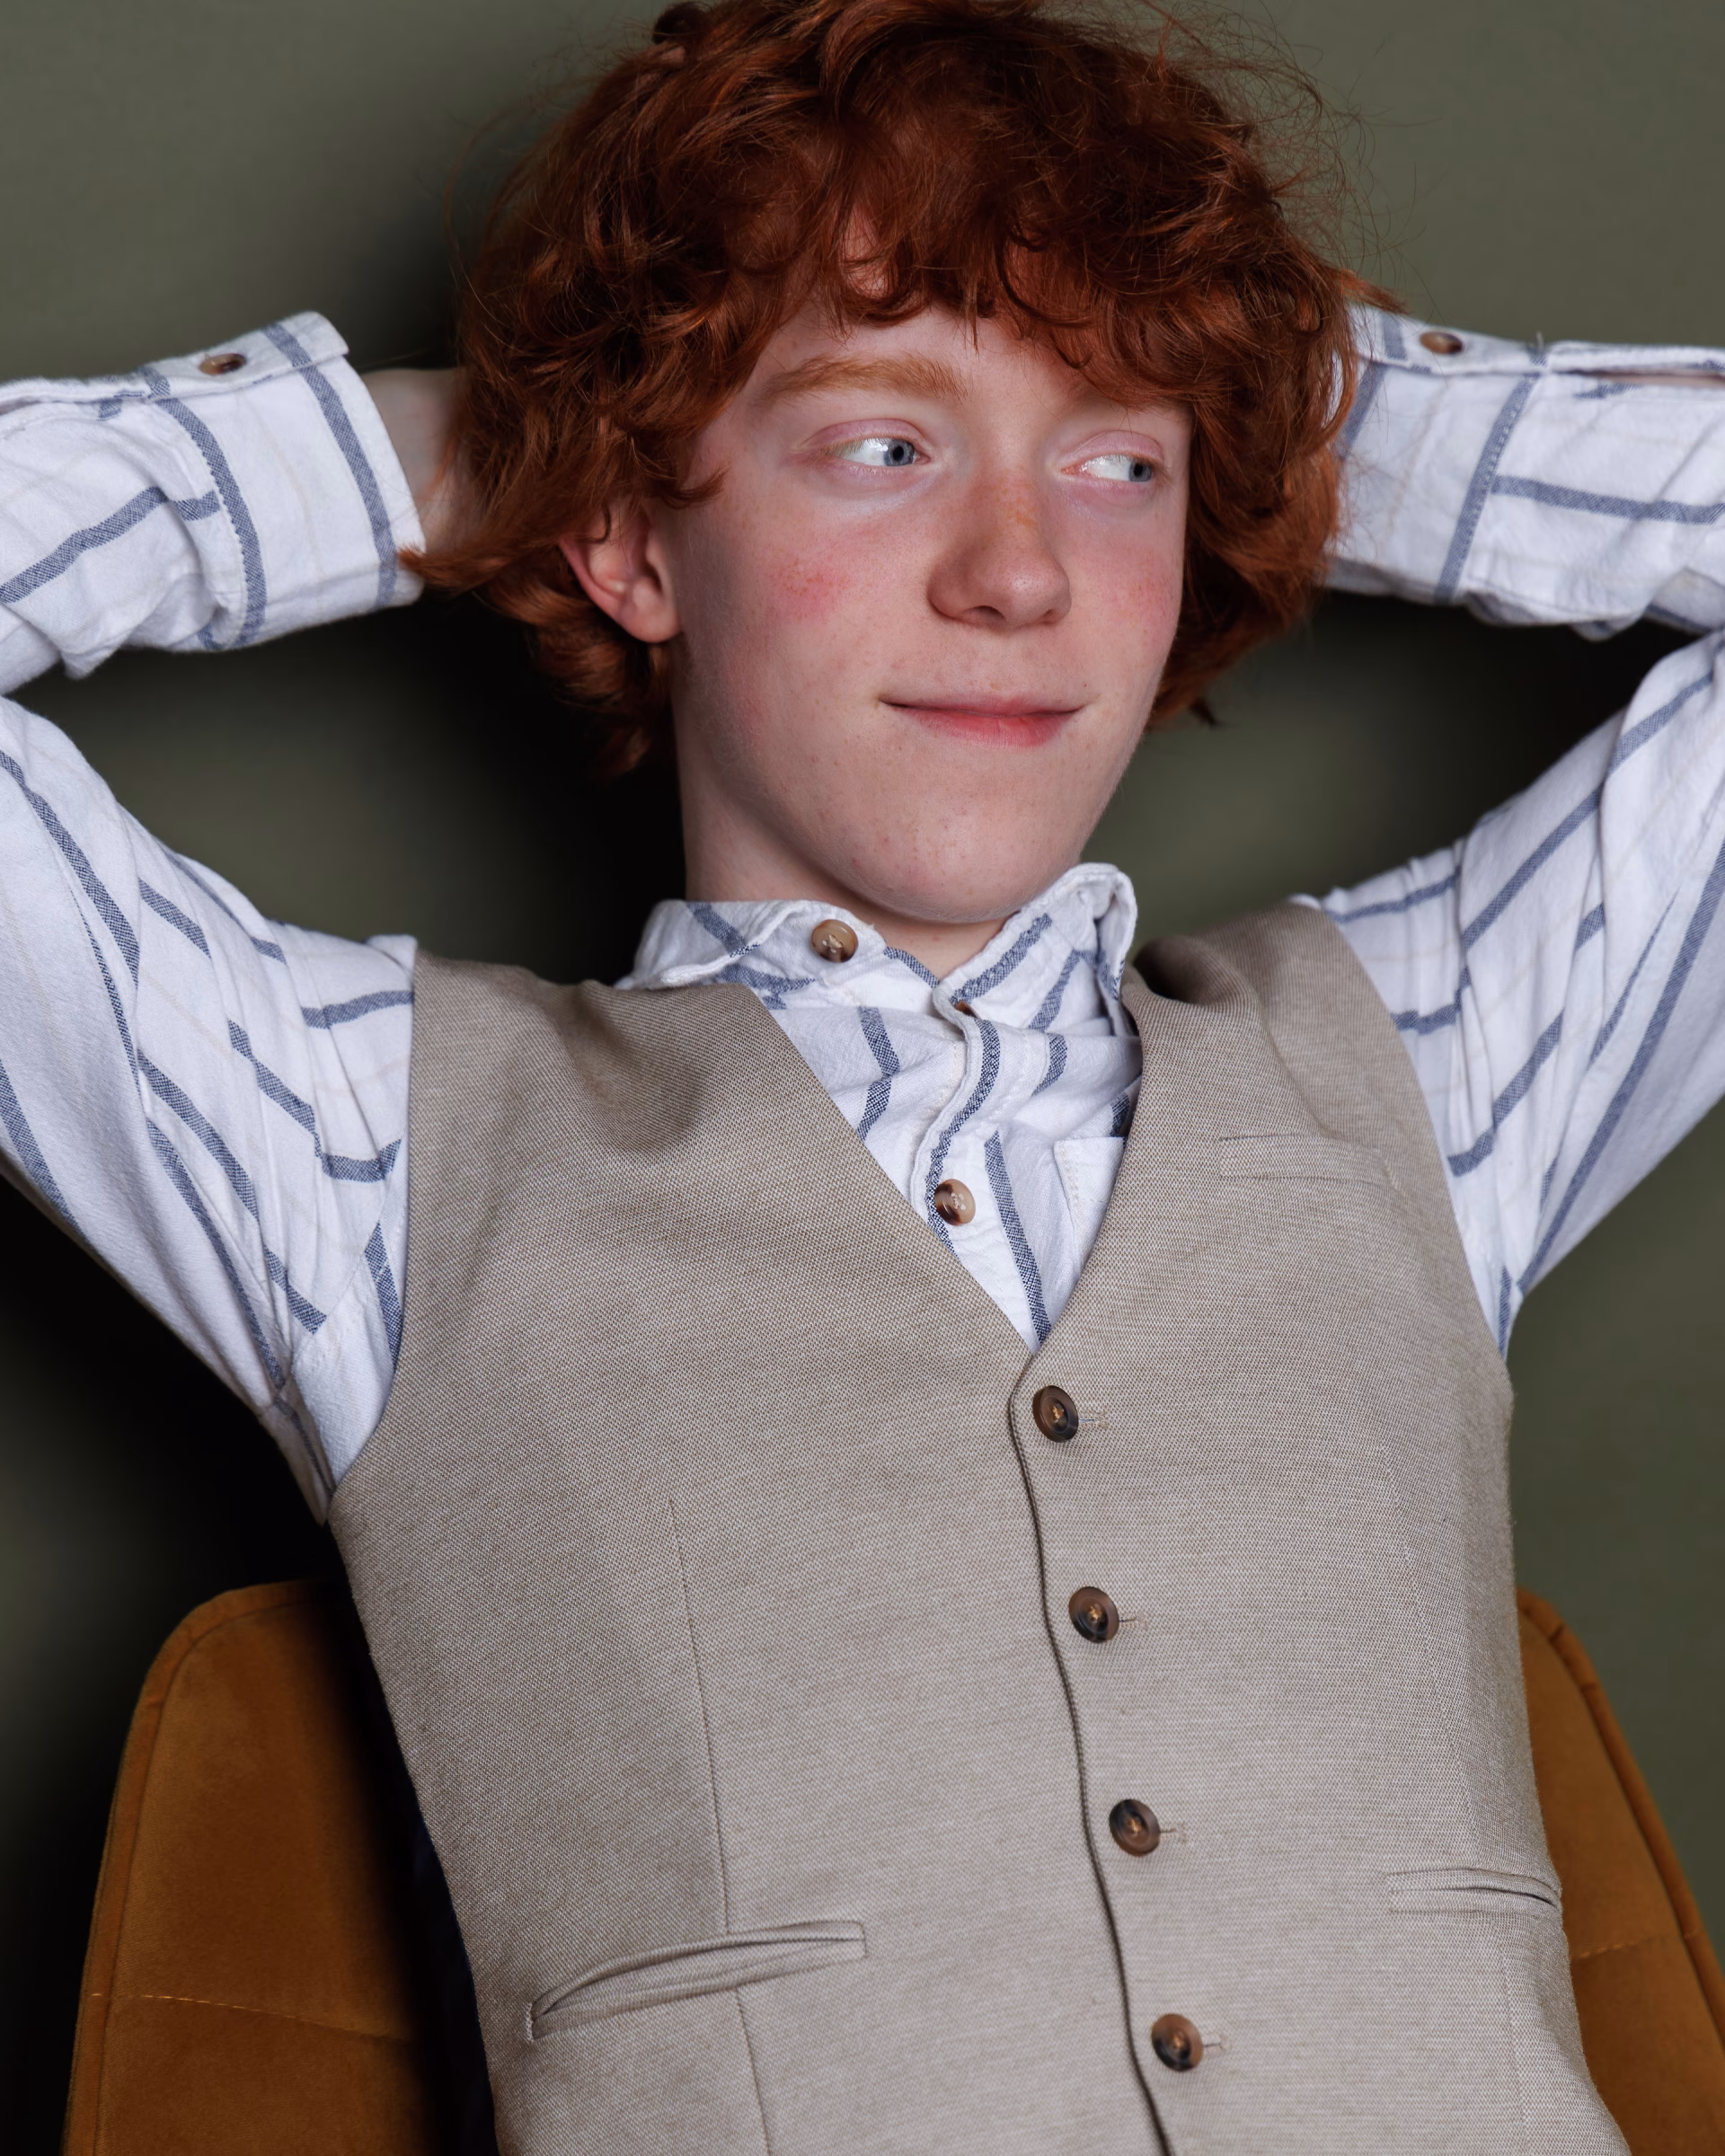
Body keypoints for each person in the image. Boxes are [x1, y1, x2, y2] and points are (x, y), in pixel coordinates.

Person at [4, 0, 1725, 2146]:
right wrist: (506, 451)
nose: (1020, 573)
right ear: (632, 541)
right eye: (883, 448)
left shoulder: (1435, 1065)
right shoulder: (367, 1142)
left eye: (1115, 468)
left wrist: (1268, 407)